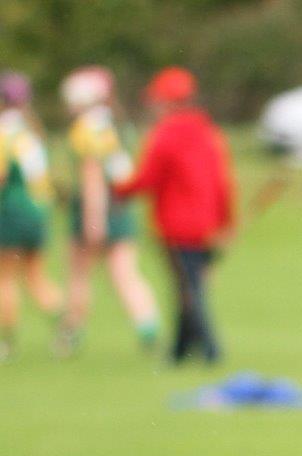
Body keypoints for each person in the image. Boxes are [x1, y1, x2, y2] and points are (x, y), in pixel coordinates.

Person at [114, 67, 236, 365]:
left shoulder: (164, 135)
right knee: (188, 285)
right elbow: (223, 183)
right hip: (206, 225)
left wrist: (118, 189)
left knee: (189, 288)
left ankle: (209, 348)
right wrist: (225, 222)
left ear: (167, 102)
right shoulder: (209, 132)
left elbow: (147, 179)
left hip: (177, 225)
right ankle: (180, 351)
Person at [59, 65, 160, 356]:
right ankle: (147, 325)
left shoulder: (85, 130)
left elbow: (92, 178)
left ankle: (70, 334)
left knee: (79, 275)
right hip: (120, 209)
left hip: (96, 212)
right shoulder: (117, 126)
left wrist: (93, 220)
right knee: (126, 274)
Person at [0, 71, 63, 361]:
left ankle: (5, 342)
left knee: (5, 278)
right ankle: (67, 324)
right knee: (36, 277)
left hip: (10, 211)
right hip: (37, 212)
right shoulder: (32, 132)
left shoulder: (4, 133)